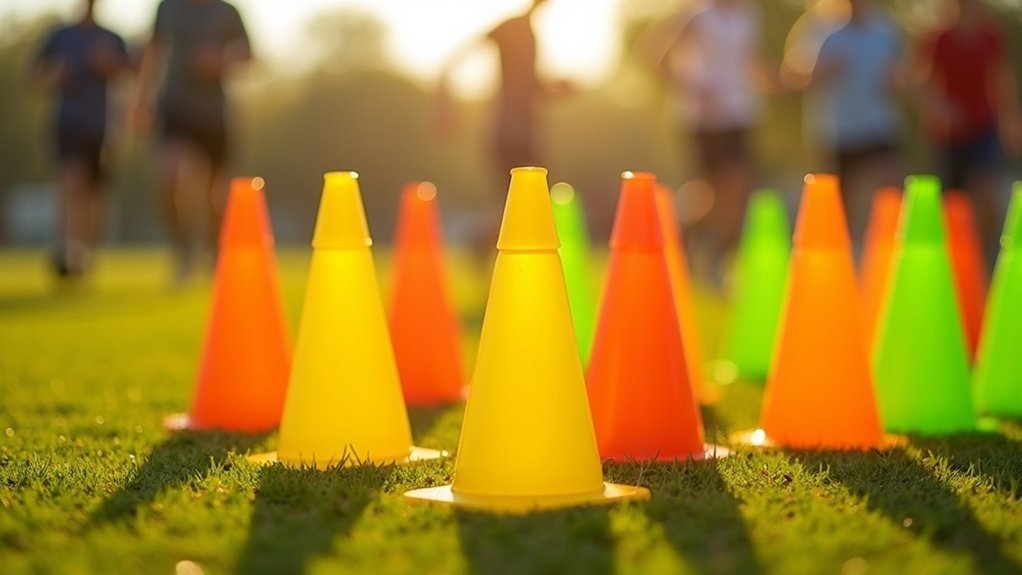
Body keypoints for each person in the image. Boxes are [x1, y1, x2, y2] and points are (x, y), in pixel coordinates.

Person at [644, 0, 772, 289]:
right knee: (727, 187)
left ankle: (683, 238)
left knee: (732, 193)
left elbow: (750, 61)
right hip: (703, 119)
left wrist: (775, 81)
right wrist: (695, 87)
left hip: (742, 114)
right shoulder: (697, 16)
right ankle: (702, 253)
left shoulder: (748, 16)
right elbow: (656, 59)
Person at [435, 0, 571, 253]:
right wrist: (444, 102)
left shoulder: (529, 31)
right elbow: (456, 58)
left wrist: (555, 89)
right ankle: (481, 242)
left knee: (527, 200)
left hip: (526, 131)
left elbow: (527, 85)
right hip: (508, 132)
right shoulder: (511, 28)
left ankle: (485, 244)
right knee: (523, 200)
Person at [132, 0, 252, 285]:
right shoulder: (168, 8)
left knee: (214, 196)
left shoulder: (227, 12)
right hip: (175, 109)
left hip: (214, 114)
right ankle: (183, 249)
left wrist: (220, 61)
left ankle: (215, 254)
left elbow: (249, 56)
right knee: (169, 178)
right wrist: (139, 100)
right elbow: (153, 51)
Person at [916, 0, 1022, 265]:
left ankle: (983, 254)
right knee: (954, 204)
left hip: (983, 127)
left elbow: (1001, 80)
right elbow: (920, 82)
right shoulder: (939, 38)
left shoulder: (991, 36)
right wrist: (940, 107)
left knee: (986, 191)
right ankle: (956, 259)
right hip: (949, 135)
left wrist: (1012, 119)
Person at [795, 0, 905, 250]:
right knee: (843, 204)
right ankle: (843, 253)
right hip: (838, 131)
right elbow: (800, 77)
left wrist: (897, 81)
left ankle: (889, 249)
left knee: (890, 187)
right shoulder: (826, 33)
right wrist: (823, 70)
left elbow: (900, 74)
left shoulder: (884, 32)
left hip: (877, 125)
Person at [31, 0, 128, 279]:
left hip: (102, 128)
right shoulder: (60, 36)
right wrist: (52, 75)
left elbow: (131, 73)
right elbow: (33, 74)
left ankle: (87, 255)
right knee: (71, 181)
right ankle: (67, 250)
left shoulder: (112, 38)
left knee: (95, 196)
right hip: (68, 123)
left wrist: (112, 65)